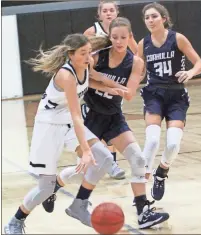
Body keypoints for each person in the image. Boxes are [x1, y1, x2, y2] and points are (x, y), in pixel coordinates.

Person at [43, 17, 170, 229]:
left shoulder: (135, 62)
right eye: (115, 37)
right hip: (90, 116)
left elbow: (128, 94)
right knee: (85, 170)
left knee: (138, 160)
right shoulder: (96, 56)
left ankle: (143, 212)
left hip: (113, 117)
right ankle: (54, 184)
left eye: (123, 37)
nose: (119, 41)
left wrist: (102, 81)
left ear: (130, 37)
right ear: (109, 38)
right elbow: (83, 79)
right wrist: (103, 81)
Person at [4, 33, 129, 234]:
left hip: (67, 121)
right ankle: (15, 221)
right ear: (70, 55)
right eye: (83, 53)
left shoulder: (86, 66)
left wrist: (117, 89)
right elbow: (77, 115)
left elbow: (93, 80)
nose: (88, 57)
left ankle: (78, 205)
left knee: (104, 158)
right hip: (49, 126)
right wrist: (86, 150)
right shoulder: (66, 75)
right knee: (45, 186)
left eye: (89, 52)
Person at [137, 2, 201, 201]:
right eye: (147, 17)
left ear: (164, 18)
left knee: (173, 145)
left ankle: (162, 172)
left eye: (154, 16)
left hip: (177, 96)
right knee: (151, 141)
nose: (150, 20)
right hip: (154, 95)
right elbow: (137, 71)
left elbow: (200, 64)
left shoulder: (178, 38)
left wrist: (190, 72)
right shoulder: (143, 44)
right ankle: (142, 184)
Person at [83, 0, 138, 179]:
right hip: (92, 98)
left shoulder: (124, 33)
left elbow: (136, 57)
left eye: (111, 10)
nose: (108, 13)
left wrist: (133, 77)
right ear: (99, 14)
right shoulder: (92, 34)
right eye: (104, 10)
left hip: (113, 100)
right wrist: (99, 78)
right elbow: (82, 68)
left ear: (117, 13)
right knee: (87, 162)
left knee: (112, 123)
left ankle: (112, 164)